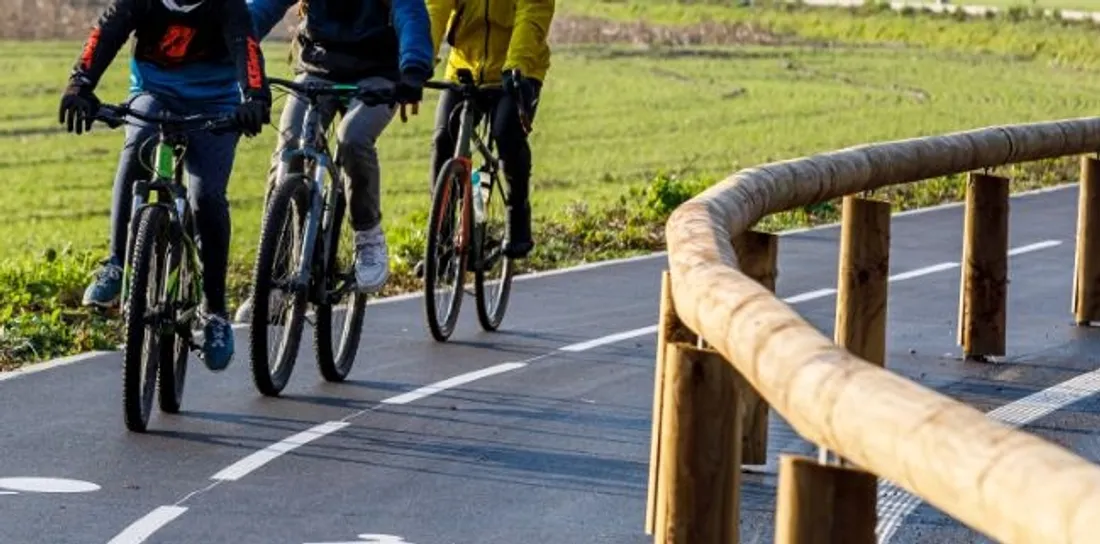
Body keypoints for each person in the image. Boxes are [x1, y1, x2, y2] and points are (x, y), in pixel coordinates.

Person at [58, 0, 272, 370]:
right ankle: (116, 263)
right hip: (155, 92)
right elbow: (107, 32)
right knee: (138, 144)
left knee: (207, 197)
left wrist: (254, 98)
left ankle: (215, 312)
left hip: (215, 102)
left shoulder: (228, 5)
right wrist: (80, 83)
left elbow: (245, 47)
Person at [234, 0, 434, 323]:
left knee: (353, 138)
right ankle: (276, 280)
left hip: (377, 75)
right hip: (317, 70)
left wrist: (413, 68)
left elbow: (409, 13)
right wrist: (232, 40)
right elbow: (261, 9)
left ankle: (367, 234)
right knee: (289, 149)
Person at [424, 0, 554, 261]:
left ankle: (518, 216)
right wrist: (421, 58)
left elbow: (533, 13)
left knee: (506, 132)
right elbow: (436, 8)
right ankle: (442, 240)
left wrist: (516, 65)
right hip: (464, 68)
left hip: (518, 68)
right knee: (442, 140)